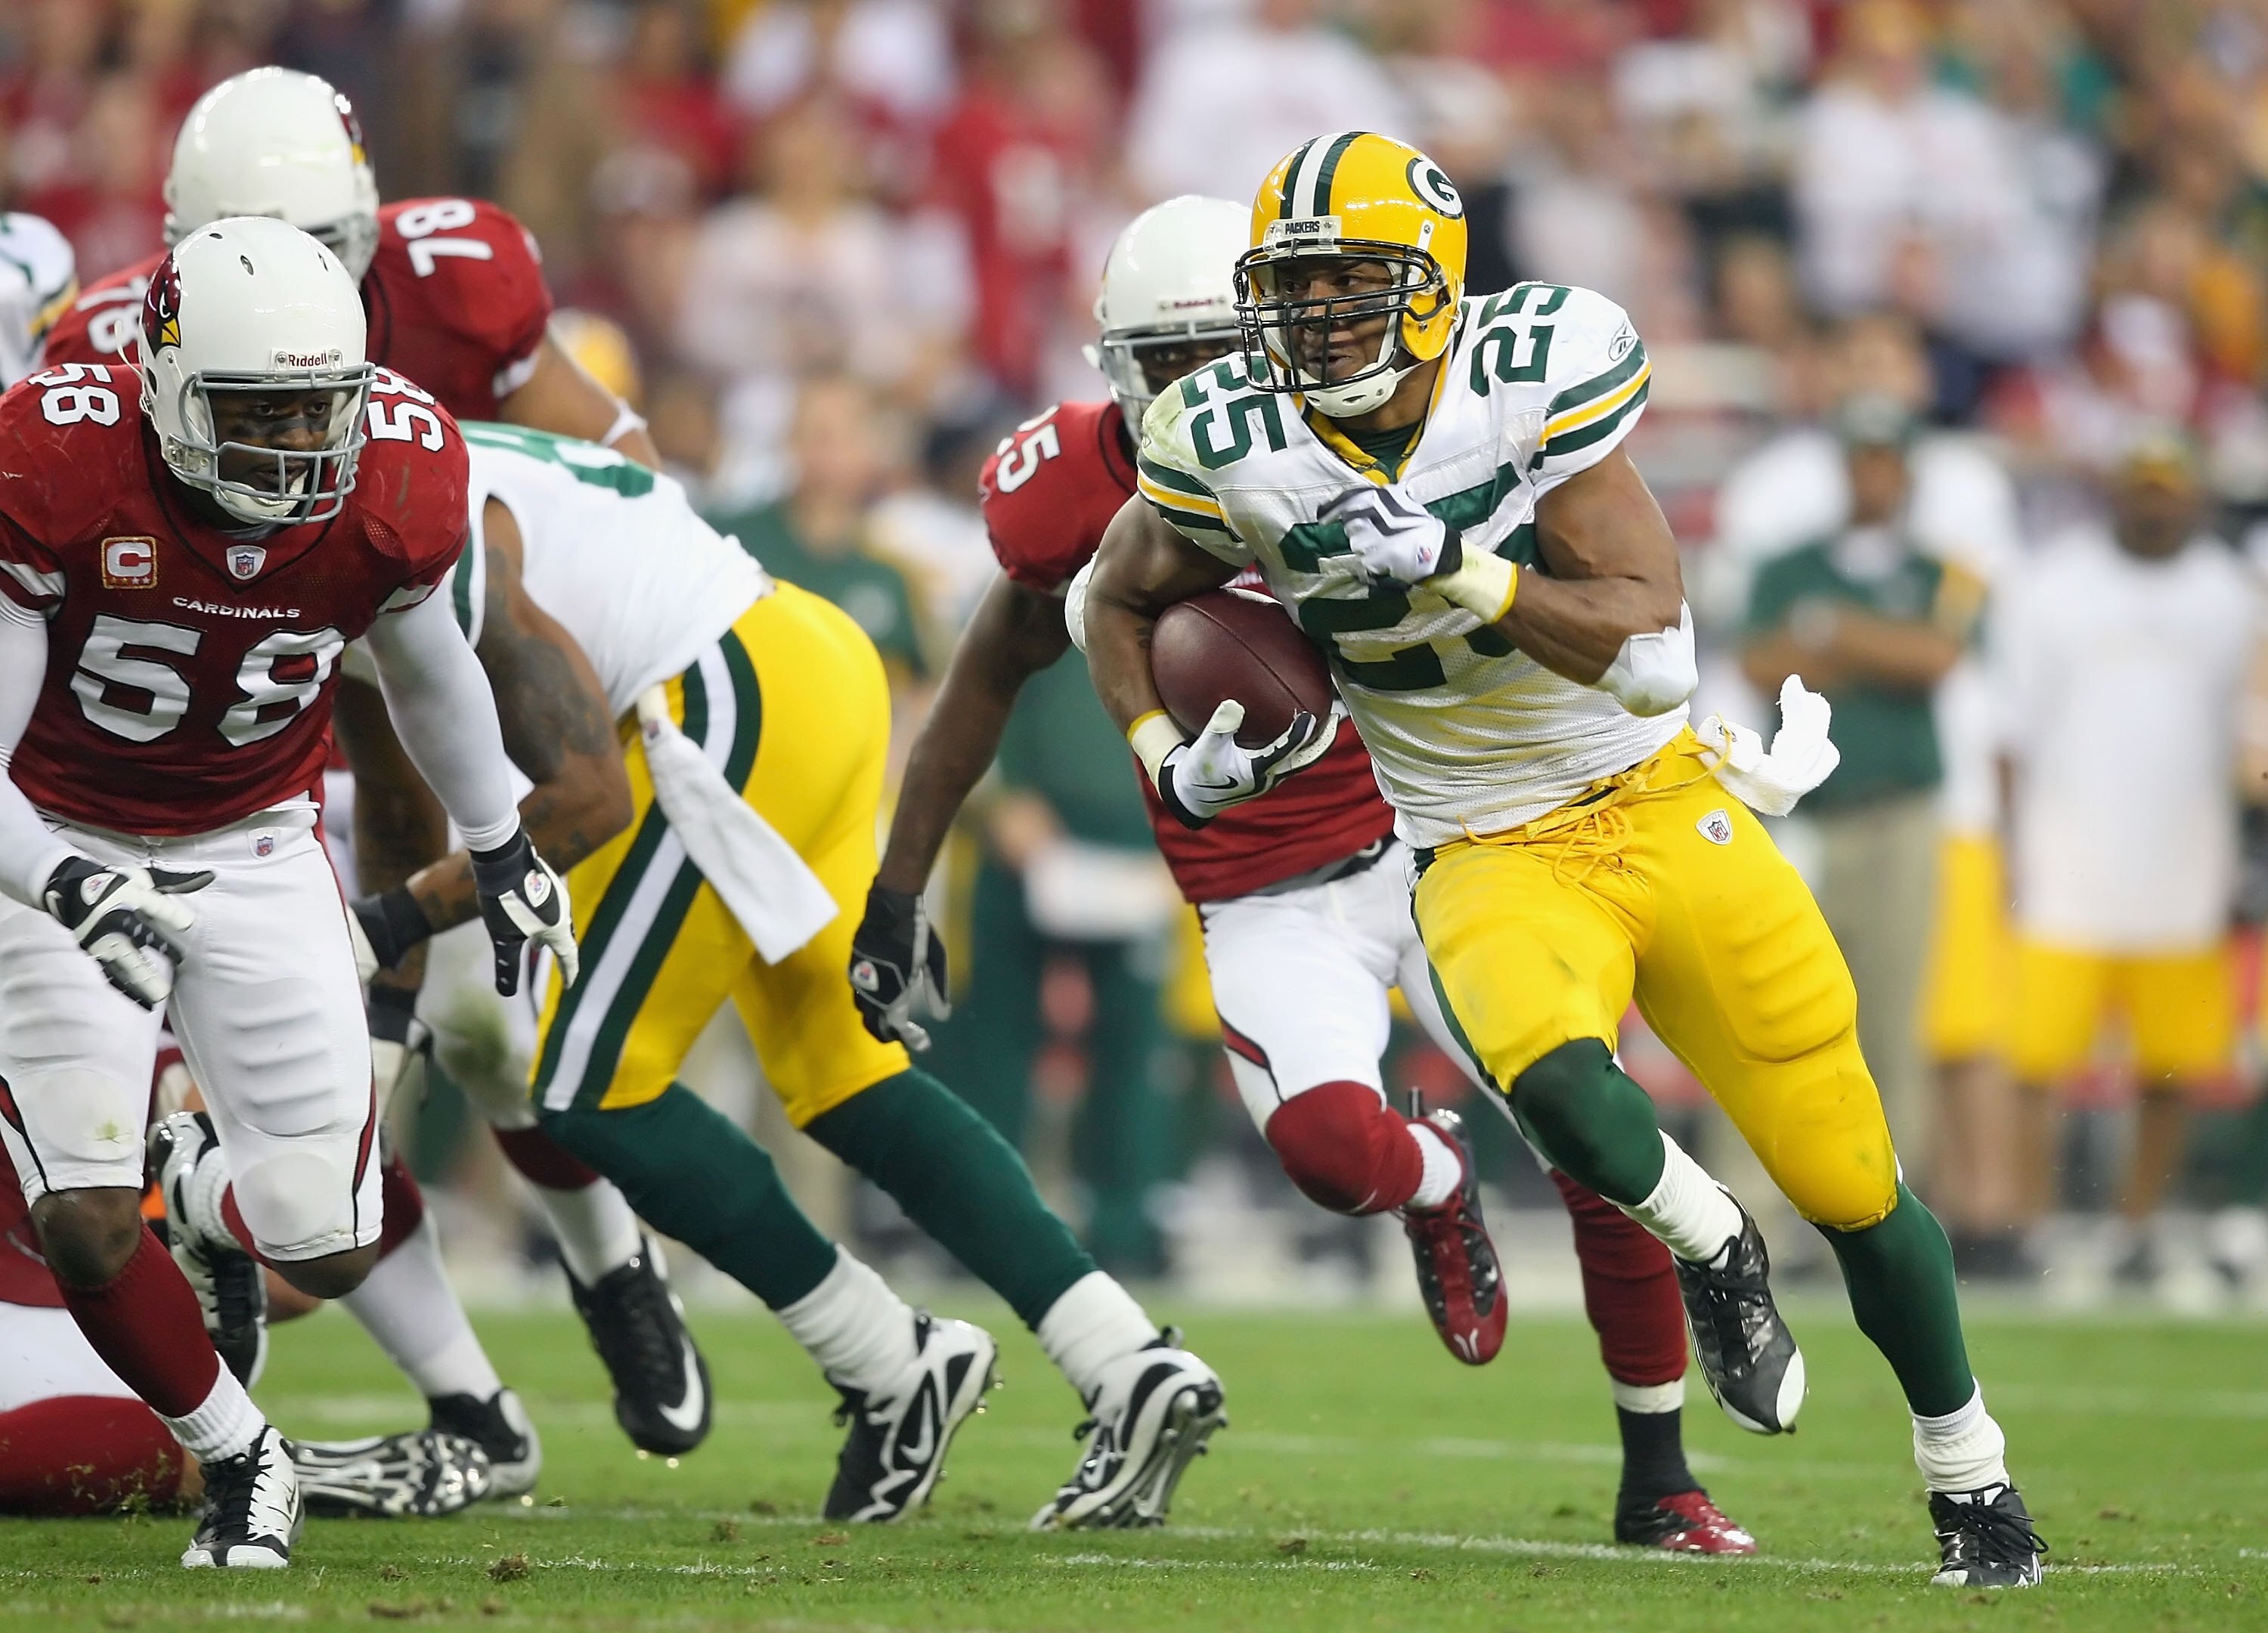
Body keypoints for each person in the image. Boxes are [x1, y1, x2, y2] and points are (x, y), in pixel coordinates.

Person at [1081, 132, 2046, 1589]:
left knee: (1852, 1173)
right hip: (1479, 843)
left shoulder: (1531, 369)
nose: (1317, 318)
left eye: (1351, 284)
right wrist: (1172, 751)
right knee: (1554, 1084)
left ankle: (1971, 1476)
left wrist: (1459, 566)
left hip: (1648, 792)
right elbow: (1113, 597)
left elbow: (1651, 644)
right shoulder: (1232, 438)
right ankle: (1714, 1246)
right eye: (1293, 289)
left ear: (1433, 285)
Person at [852, 195, 1755, 1552]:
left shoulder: (1390, 432)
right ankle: (1436, 1184)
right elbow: (988, 678)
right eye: (1165, 366)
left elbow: (1563, 621)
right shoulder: (1080, 497)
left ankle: (1662, 1477)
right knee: (1334, 1155)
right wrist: (898, 887)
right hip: (1262, 890)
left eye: (1219, 355)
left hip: (1438, 842)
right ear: (1117, 370)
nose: (1196, 395)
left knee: (1593, 1143)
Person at [342, 419, 1224, 1530]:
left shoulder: (394, 522)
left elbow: (581, 803)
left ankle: (888, 1360)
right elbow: (391, 796)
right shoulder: (381, 472)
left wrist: (383, 923)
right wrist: (380, 986)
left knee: (586, 1082)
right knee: (840, 1070)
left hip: (712, 699)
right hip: (793, 659)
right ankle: (1125, 1361)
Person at [39, 64, 700, 1467]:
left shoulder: (431, 363)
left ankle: (605, 1267)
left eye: (331, 251)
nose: (296, 286)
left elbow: (579, 512)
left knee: (496, 1039)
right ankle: (462, 1394)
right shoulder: (84, 379)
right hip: (220, 745)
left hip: (397, 655)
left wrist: (505, 822)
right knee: (295, 1112)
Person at [0, 216, 575, 1568]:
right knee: (80, 1215)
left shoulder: (398, 471)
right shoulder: (55, 461)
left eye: (319, 408)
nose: (293, 445)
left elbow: (434, 676)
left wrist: (500, 845)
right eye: (258, 413)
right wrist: (71, 883)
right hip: (55, 837)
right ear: (168, 381)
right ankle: (243, 1459)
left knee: (325, 1238)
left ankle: (200, 1188)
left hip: (256, 842)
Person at [1996, 434, 2258, 1282]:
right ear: (2116, 491)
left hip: (2184, 868)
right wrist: (2010, 849)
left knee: (2169, 1070)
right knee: (2037, 1066)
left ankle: (2134, 1228)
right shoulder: (2054, 585)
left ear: (2194, 494)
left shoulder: (2233, 594)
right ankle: (2033, 1226)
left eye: (2170, 487)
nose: (2155, 502)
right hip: (2065, 859)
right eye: (2142, 486)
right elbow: (2012, 730)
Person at [1741, 395, 1974, 1170]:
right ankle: (1769, 1210)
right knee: (1780, 1015)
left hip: (1902, 818)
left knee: (1892, 1023)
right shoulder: (1788, 565)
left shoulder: (1939, 571)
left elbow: (1937, 659)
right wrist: (1884, 652)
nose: (1872, 474)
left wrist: (1835, 634)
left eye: (1886, 460)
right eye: (1860, 458)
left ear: (1906, 472)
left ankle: (1887, 1202)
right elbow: (1759, 663)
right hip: (1808, 818)